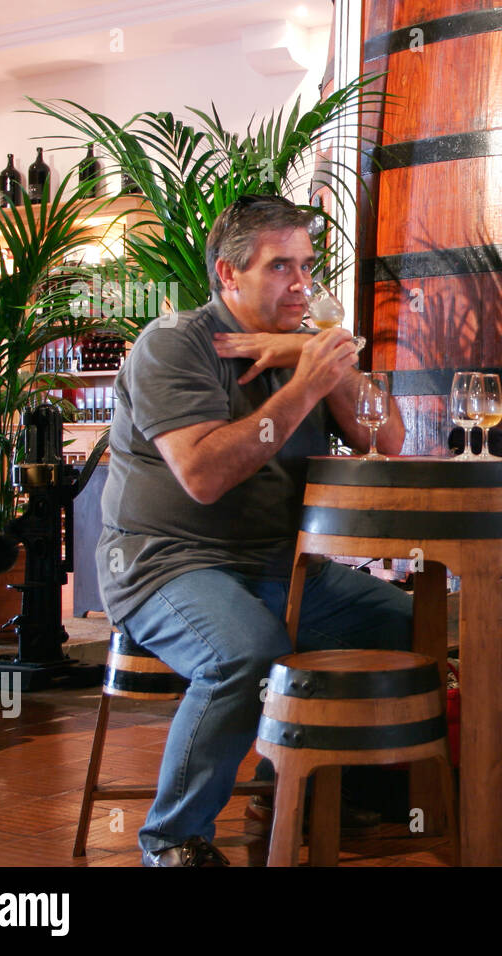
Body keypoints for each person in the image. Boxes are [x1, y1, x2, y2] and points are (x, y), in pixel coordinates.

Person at [96, 194, 412, 866]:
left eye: (307, 267)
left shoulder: (302, 343)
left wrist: (325, 360)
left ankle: (308, 789)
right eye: (279, 267)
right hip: (165, 564)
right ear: (227, 274)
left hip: (282, 566)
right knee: (246, 649)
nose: (301, 284)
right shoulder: (175, 345)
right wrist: (303, 381)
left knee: (409, 625)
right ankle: (174, 840)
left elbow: (389, 435)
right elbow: (206, 475)